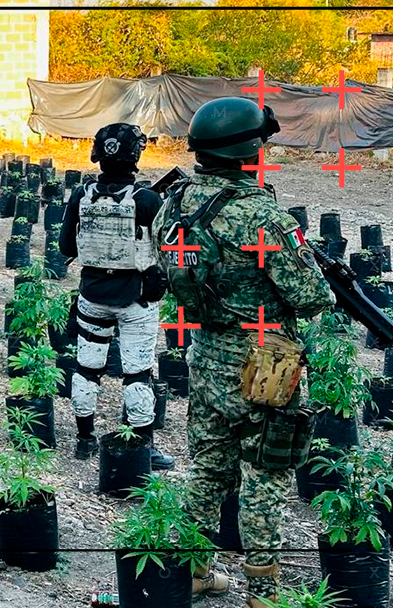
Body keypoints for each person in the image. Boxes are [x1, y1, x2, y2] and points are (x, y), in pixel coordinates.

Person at [151, 98, 335, 607]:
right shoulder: (260, 214)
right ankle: (262, 592)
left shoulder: (176, 202)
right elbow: (313, 296)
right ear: (251, 151)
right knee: (266, 473)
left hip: (206, 351)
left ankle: (194, 572)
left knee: (208, 467)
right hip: (265, 363)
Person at [59, 123, 174, 470]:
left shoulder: (82, 196)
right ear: (135, 155)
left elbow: (66, 247)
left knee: (86, 368)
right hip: (136, 300)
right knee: (138, 373)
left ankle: (84, 439)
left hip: (92, 295)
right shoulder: (148, 200)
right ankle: (144, 449)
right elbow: (167, 249)